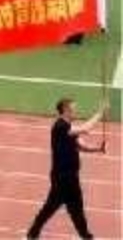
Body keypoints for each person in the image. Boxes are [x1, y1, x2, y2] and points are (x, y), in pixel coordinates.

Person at [26, 96, 109, 239]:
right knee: (51, 208)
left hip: (72, 177)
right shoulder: (60, 126)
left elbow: (81, 146)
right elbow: (86, 128)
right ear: (65, 110)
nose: (76, 111)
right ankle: (32, 234)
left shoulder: (69, 127)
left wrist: (98, 149)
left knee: (76, 210)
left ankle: (86, 236)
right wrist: (100, 113)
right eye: (73, 109)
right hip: (62, 178)